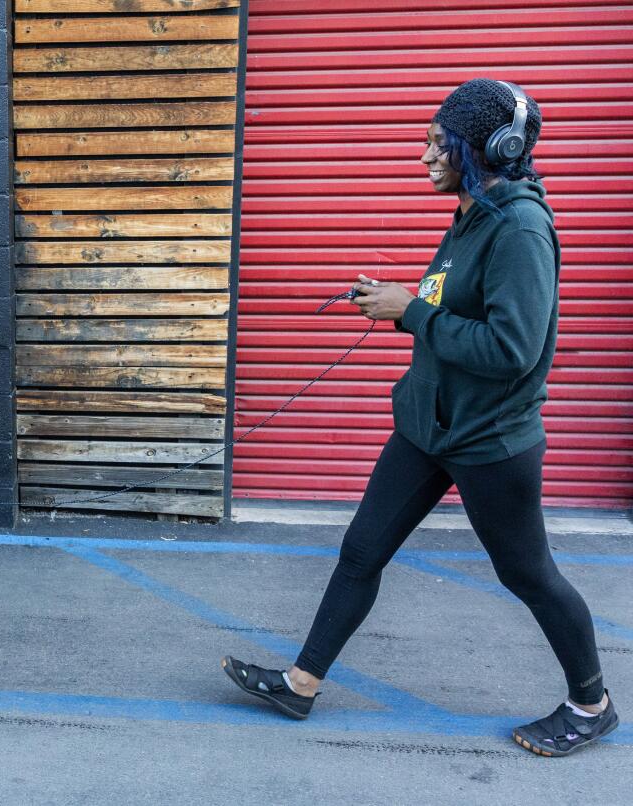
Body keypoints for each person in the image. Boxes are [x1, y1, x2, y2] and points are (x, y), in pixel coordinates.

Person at [221, 79, 619, 756]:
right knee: (362, 551)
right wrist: (396, 300)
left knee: (528, 573)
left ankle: (591, 704)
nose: (426, 154)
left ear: (489, 148)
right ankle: (300, 683)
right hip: (427, 424)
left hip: (490, 437)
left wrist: (411, 312)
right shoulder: (472, 215)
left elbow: (511, 350)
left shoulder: (520, 229)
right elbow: (447, 307)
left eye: (440, 143)